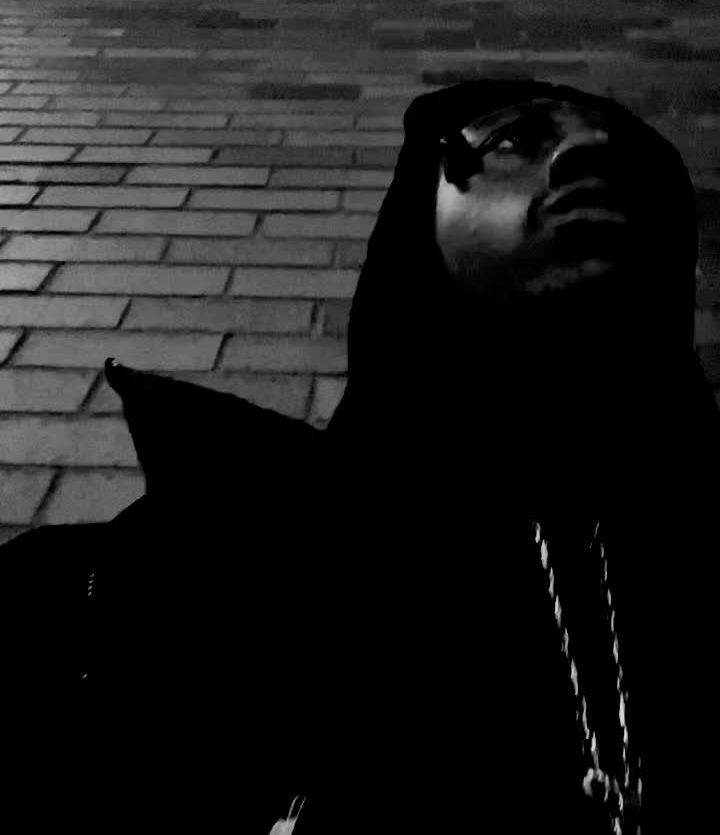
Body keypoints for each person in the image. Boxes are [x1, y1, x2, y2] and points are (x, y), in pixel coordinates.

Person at [2, 76, 718, 834]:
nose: (584, 155)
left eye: (628, 167)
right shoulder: (147, 588)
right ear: (419, 215)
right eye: (517, 140)